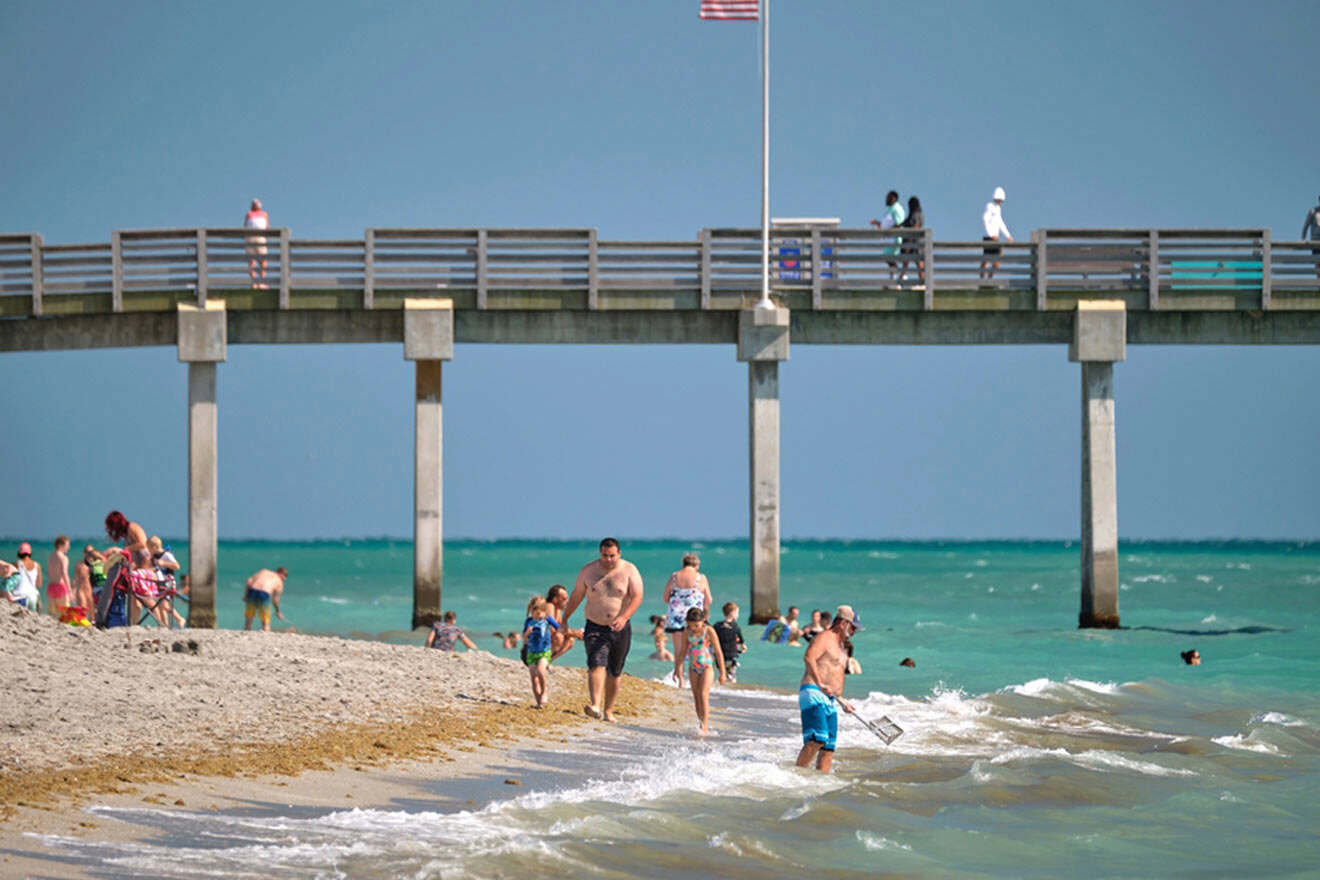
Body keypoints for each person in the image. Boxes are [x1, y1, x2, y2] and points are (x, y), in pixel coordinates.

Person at [562, 537, 644, 722]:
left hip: (619, 627)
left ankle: (608, 710)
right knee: (596, 662)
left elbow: (638, 597)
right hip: (594, 625)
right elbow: (577, 595)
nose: (608, 559)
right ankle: (595, 705)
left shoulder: (629, 570)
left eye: (612, 556)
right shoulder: (588, 571)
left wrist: (624, 617)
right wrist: (565, 618)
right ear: (600, 554)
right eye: (605, 556)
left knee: (615, 671)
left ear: (619, 554)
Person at [796, 605, 864, 773]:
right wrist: (819, 683)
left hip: (830, 699)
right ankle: (796, 774)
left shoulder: (842, 646)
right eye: (853, 627)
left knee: (828, 747)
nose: (854, 631)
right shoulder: (825, 637)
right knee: (816, 739)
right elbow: (809, 657)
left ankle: (821, 782)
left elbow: (833, 675)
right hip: (813, 691)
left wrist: (842, 702)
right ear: (843, 623)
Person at [660, 552, 713, 686]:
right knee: (694, 648)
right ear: (697, 565)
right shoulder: (701, 577)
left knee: (679, 650)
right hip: (694, 619)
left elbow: (665, 598)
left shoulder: (674, 576)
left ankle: (680, 680)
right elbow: (709, 600)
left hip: (675, 618)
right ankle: (696, 679)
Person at [683, 607, 727, 735]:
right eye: (691, 625)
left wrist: (723, 673)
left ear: (703, 620)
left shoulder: (709, 631)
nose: (694, 628)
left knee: (703, 694)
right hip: (693, 666)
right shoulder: (687, 632)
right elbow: (682, 652)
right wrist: (677, 669)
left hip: (707, 666)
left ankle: (705, 726)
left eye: (696, 625)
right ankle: (700, 722)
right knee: (696, 697)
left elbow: (718, 652)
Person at [522, 595, 561, 708]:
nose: (539, 616)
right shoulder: (528, 622)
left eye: (541, 613)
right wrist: (527, 633)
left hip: (544, 651)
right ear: (531, 611)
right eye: (536, 613)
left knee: (540, 671)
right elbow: (524, 637)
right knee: (534, 679)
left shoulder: (547, 619)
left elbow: (558, 627)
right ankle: (539, 702)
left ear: (545, 611)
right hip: (531, 652)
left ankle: (544, 691)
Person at [149, 536, 185, 627]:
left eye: (149, 549)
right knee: (161, 606)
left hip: (168, 582)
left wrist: (164, 563)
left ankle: (179, 618)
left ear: (155, 548)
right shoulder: (154, 557)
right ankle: (164, 625)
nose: (149, 551)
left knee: (164, 605)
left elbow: (177, 566)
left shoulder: (167, 555)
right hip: (160, 582)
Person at [869, 190, 907, 279]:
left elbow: (900, 223)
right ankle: (894, 277)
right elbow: (886, 223)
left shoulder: (897, 209)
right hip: (889, 239)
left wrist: (891, 231)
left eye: (888, 198)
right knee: (889, 258)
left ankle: (900, 277)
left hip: (894, 238)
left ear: (894, 198)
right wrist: (877, 223)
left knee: (889, 258)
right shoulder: (890, 209)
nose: (886, 200)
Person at [980, 186, 1013, 280]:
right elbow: (985, 219)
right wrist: (990, 235)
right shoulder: (989, 206)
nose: (1000, 202)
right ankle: (982, 281)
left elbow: (1000, 222)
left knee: (997, 262)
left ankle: (989, 279)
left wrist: (1008, 235)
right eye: (998, 199)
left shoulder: (998, 208)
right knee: (986, 261)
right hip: (989, 237)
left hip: (996, 238)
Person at [545, 584, 583, 662]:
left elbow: (563, 628)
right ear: (555, 599)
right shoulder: (549, 606)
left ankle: (549, 660)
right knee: (559, 637)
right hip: (539, 639)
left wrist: (577, 634)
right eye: (564, 599)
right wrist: (576, 633)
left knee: (570, 640)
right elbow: (552, 629)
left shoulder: (558, 609)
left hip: (547, 639)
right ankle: (542, 658)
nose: (567, 601)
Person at [243, 566, 287, 631]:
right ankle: (266, 631)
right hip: (264, 594)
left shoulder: (264, 571)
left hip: (252, 591)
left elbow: (249, 581)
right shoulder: (279, 582)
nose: (285, 579)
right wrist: (278, 612)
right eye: (285, 576)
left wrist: (245, 595)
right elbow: (275, 600)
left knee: (249, 616)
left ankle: (247, 630)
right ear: (280, 573)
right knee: (265, 621)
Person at [712, 601, 746, 682]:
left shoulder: (717, 625)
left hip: (719, 655)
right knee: (731, 675)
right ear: (732, 613)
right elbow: (741, 638)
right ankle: (730, 686)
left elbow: (712, 637)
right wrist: (743, 645)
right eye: (737, 613)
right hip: (730, 655)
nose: (738, 615)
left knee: (722, 673)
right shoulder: (735, 626)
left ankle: (722, 685)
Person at [244, 198, 270, 288]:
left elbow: (266, 226)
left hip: (257, 237)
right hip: (254, 237)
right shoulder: (250, 214)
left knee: (261, 260)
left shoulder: (263, 214)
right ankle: (256, 282)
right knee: (254, 261)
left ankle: (259, 281)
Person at [901, 196, 926, 285]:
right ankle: (901, 280)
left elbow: (915, 228)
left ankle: (922, 283)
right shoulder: (919, 214)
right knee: (909, 262)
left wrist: (909, 243)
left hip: (914, 242)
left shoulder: (915, 215)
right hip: (917, 242)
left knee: (917, 262)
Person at [45, 535, 72, 616]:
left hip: (52, 586)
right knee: (64, 613)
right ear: (60, 545)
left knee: (51, 613)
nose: (68, 547)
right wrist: (69, 590)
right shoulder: (64, 558)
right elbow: (64, 573)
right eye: (67, 545)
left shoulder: (51, 556)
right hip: (61, 587)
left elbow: (49, 571)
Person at [73, 545, 103, 615]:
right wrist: (73, 590)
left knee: (92, 611)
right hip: (81, 589)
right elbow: (75, 578)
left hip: (90, 590)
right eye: (87, 552)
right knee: (82, 608)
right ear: (84, 553)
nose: (89, 554)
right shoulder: (79, 564)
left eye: (91, 552)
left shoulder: (94, 565)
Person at [13, 542, 42, 612]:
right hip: (33, 597)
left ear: (19, 553)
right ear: (30, 553)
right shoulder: (37, 565)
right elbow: (39, 584)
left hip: (20, 596)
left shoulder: (16, 564)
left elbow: (12, 583)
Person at [1303, 195, 1320, 280]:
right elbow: (1306, 225)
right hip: (1316, 239)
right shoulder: (1313, 211)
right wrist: (1303, 238)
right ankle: (1318, 280)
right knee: (1317, 261)